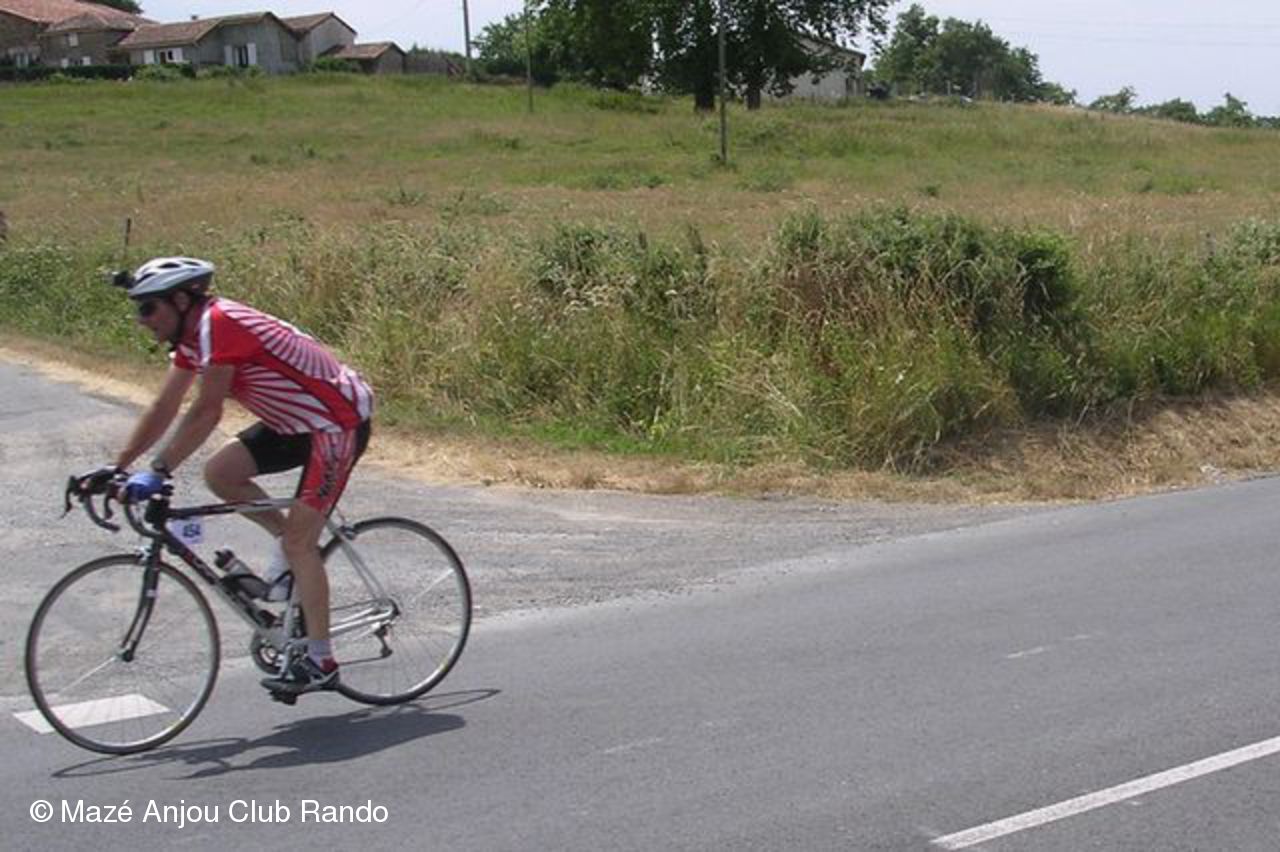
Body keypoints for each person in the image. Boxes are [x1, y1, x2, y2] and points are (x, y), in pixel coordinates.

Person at [104, 256, 374, 696]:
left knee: (301, 542)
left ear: (180, 300)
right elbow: (165, 405)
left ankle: (321, 661)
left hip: (334, 422)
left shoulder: (221, 323)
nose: (141, 319)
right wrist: (117, 466)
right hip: (294, 423)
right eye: (138, 309)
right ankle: (290, 561)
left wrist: (158, 469)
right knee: (220, 474)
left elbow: (207, 411)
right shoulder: (192, 337)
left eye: (148, 308)